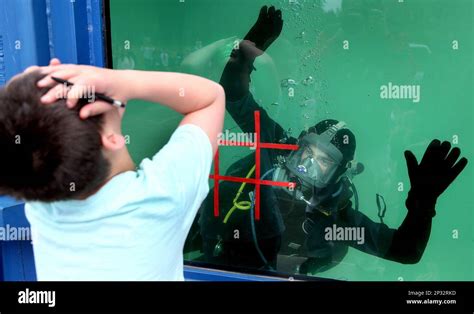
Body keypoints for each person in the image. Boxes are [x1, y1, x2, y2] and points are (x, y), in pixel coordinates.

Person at [196, 6, 468, 274]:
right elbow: (232, 95)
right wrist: (249, 48)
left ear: (338, 175)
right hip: (221, 257)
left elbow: (405, 250)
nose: (304, 169)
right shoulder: (278, 146)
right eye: (305, 155)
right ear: (297, 144)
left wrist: (423, 202)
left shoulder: (337, 219)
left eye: (321, 165)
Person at [0, 59, 225, 280]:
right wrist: (124, 80)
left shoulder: (38, 191)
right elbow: (211, 98)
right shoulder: (161, 195)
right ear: (110, 139)